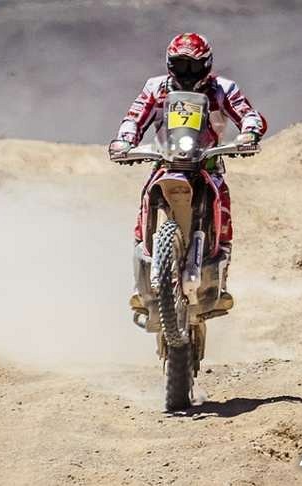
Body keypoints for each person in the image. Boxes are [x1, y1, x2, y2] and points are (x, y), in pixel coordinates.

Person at [108, 32, 267, 313]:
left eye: (194, 66)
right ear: (170, 64)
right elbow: (134, 117)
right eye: (181, 65)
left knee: (223, 208)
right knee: (146, 203)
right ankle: (140, 283)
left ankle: (220, 281)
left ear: (207, 64)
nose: (188, 72)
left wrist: (250, 132)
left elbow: (249, 114)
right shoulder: (156, 87)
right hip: (166, 161)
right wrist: (125, 141)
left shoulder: (223, 89)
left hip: (207, 162)